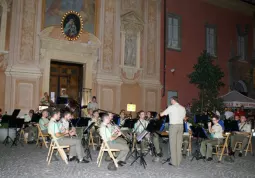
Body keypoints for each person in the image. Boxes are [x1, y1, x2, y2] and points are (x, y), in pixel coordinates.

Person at [160, 96, 186, 167]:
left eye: (171, 100)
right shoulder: (182, 108)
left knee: (173, 144)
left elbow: (161, 114)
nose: (170, 101)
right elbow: (184, 118)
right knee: (179, 144)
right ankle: (178, 161)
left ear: (173, 100)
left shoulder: (171, 107)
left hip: (174, 126)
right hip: (181, 126)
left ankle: (174, 162)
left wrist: (161, 112)